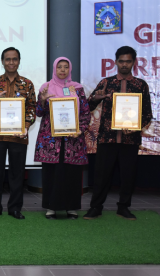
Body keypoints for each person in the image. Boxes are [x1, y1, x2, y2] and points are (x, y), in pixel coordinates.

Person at [83, 46, 152, 221]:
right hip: (107, 138)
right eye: (121, 61)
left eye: (128, 61)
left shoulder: (140, 85)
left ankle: (123, 208)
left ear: (133, 63)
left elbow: (147, 114)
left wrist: (136, 127)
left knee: (128, 175)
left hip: (130, 139)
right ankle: (95, 208)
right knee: (101, 175)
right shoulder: (106, 83)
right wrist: (96, 98)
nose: (124, 64)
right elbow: (88, 106)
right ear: (115, 62)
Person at [0, 47, 37, 219]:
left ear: (19, 61)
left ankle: (15, 208)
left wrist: (26, 126)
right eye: (8, 59)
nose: (11, 62)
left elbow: (32, 108)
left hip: (19, 136)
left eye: (14, 59)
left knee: (17, 173)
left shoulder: (27, 84)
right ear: (2, 61)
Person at [34, 57, 90, 219]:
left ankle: (71, 208)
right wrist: (42, 101)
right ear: (55, 69)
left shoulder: (77, 89)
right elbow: (39, 112)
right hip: (51, 140)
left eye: (66, 67)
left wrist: (81, 130)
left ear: (70, 69)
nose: (63, 70)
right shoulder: (46, 87)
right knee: (52, 173)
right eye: (60, 67)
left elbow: (85, 113)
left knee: (71, 173)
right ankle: (51, 208)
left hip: (73, 138)